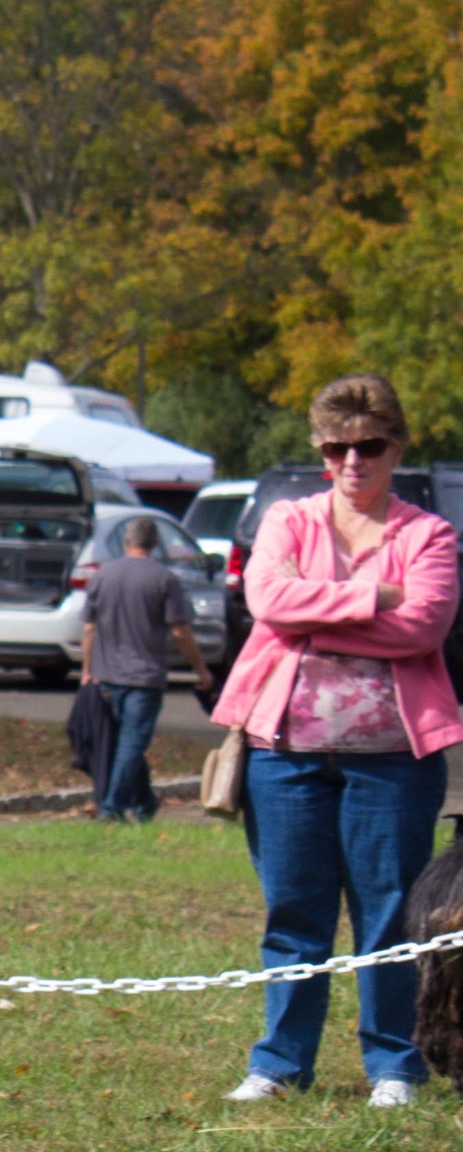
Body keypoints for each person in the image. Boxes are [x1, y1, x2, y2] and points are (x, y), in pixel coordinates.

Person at [209, 374, 461, 1108]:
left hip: (393, 762)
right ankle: (280, 1062)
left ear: (397, 447)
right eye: (338, 447)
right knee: (294, 911)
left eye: (370, 445)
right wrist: (372, 596)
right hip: (282, 755)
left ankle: (394, 1064)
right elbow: (266, 600)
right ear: (322, 452)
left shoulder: (428, 534)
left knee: (388, 915)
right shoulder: (288, 520)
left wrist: (313, 614)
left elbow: (426, 624)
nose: (354, 461)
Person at [78, 515, 212, 821]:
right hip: (144, 677)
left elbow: (89, 628)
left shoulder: (101, 577)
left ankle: (143, 805)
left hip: (106, 675)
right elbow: (179, 631)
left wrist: (87, 669)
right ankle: (111, 808)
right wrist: (201, 670)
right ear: (154, 543)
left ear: (126, 542)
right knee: (131, 744)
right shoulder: (163, 578)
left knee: (127, 744)